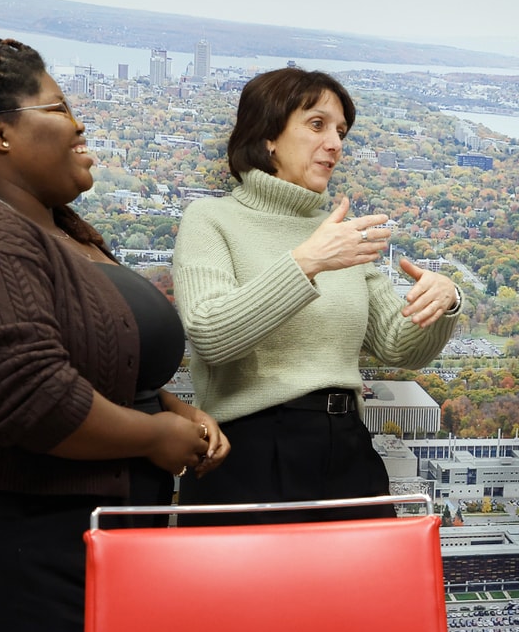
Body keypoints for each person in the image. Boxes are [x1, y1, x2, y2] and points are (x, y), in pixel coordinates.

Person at [0, 36, 228, 632]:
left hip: (92, 538)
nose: (78, 124)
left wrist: (169, 408)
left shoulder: (59, 232)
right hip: (21, 550)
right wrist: (154, 435)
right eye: (58, 108)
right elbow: (27, 397)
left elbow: (92, 358)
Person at [172, 67, 461, 524]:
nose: (335, 144)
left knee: (365, 574)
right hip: (249, 452)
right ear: (268, 135)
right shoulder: (210, 219)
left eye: (340, 131)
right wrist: (307, 262)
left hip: (347, 446)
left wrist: (444, 301)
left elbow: (397, 345)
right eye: (317, 124)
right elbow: (211, 335)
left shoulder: (338, 235)